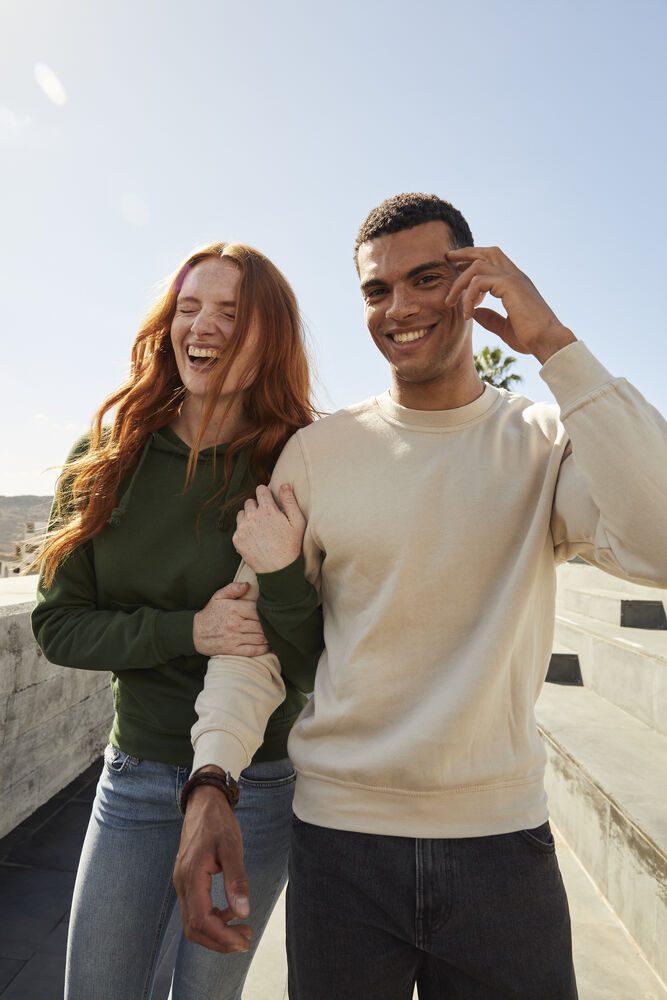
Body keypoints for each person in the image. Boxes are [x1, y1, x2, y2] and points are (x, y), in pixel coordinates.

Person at [173, 194, 667, 999]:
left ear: (475, 282)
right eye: (377, 290)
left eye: (426, 279)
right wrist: (210, 780)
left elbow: (659, 542)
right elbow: (248, 641)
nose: (398, 307)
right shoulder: (317, 454)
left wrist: (552, 343)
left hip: (502, 849)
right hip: (340, 848)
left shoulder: (541, 442)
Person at [31, 241, 323, 1000]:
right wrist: (188, 630)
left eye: (231, 312)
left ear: (270, 336)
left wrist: (281, 576)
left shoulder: (298, 465)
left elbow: (313, 657)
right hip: (135, 773)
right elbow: (59, 627)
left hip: (257, 782)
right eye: (189, 308)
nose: (204, 326)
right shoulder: (106, 456)